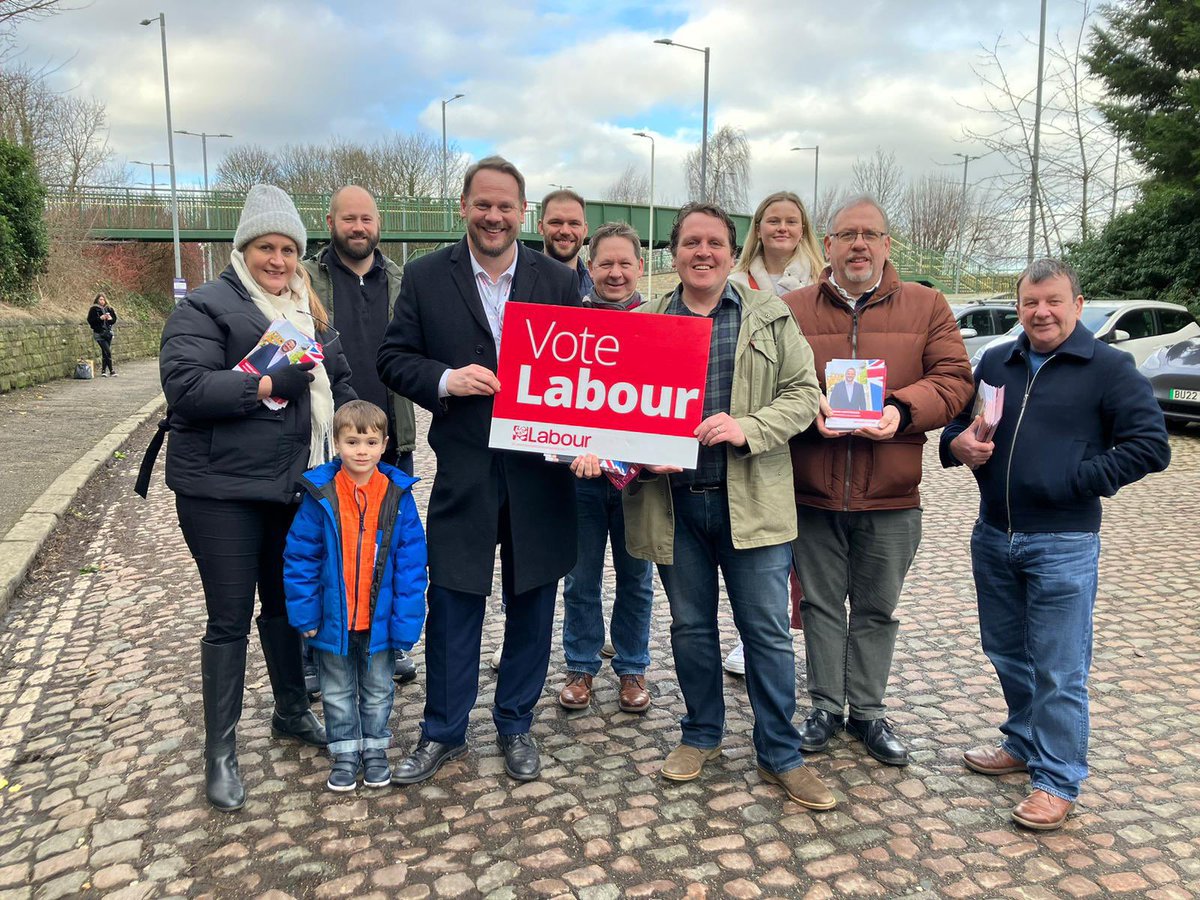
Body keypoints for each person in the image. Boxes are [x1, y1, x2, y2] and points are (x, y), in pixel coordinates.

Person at [941, 258, 1170, 830]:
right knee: (1005, 651)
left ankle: (1057, 778)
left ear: (1076, 302)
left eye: (1053, 301)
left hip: (1063, 541)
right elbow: (963, 430)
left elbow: (1151, 446)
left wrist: (1075, 479)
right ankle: (1022, 743)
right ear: (1018, 307)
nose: (1040, 312)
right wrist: (957, 446)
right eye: (1029, 303)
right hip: (994, 533)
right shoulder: (998, 359)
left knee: (1060, 668)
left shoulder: (1110, 368)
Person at [621, 202, 835, 810]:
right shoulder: (646, 319)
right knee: (690, 629)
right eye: (691, 242)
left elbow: (803, 394)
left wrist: (748, 428)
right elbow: (617, 406)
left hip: (752, 501)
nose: (703, 253)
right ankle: (701, 734)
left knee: (766, 633)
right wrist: (629, 453)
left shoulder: (768, 315)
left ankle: (781, 753)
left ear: (730, 250)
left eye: (714, 242)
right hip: (673, 504)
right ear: (674, 252)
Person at [376, 156, 581, 784]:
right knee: (455, 599)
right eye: (483, 204)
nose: (494, 216)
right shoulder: (426, 275)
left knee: (532, 603)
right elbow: (393, 358)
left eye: (506, 206)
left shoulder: (555, 279)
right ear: (464, 206)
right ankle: (444, 729)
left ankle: (516, 722)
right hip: (465, 467)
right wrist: (445, 379)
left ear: (524, 212)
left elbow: (583, 374)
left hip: (539, 473)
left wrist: (594, 438)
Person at [158, 183, 356, 811]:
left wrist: (362, 429)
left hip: (292, 488)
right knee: (229, 617)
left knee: (284, 607)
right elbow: (186, 388)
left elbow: (343, 383)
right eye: (267, 247)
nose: (278, 260)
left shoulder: (310, 313)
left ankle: (291, 714)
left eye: (288, 249)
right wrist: (268, 382)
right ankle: (219, 751)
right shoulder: (208, 307)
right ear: (245, 248)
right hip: (221, 492)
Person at [783, 195, 973, 768]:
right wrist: (804, 407)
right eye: (846, 235)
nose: (858, 244)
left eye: (870, 234)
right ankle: (822, 706)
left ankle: (865, 710)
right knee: (818, 605)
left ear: (887, 245)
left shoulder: (927, 304)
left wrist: (902, 410)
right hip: (812, 490)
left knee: (875, 608)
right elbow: (766, 381)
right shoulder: (791, 308)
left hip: (890, 495)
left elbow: (955, 379)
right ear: (830, 246)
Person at [303, 185, 419, 688]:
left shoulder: (402, 279)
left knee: (385, 547)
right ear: (330, 222)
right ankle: (319, 656)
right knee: (327, 546)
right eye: (348, 218)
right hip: (328, 440)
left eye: (366, 218)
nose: (358, 227)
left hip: (390, 435)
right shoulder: (306, 276)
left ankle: (383, 648)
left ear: (379, 223)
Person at [284, 400, 428, 792]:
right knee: (336, 691)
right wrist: (306, 615)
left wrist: (406, 622)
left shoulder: (397, 496)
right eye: (351, 441)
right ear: (337, 443)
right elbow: (300, 559)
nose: (361, 451)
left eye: (369, 442)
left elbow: (412, 566)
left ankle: (376, 749)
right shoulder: (320, 494)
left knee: (379, 689)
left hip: (378, 622)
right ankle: (346, 751)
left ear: (384, 445)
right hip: (333, 619)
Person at [722, 190, 823, 675]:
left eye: (792, 221)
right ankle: (756, 634)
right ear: (757, 228)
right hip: (749, 433)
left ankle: (800, 634)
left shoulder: (824, 282)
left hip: (814, 424)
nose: (782, 228)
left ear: (803, 229)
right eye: (773, 221)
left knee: (803, 542)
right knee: (759, 538)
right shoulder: (734, 282)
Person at [556, 223, 655, 715]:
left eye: (624, 264)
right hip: (583, 474)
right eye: (605, 264)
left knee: (637, 577)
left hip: (643, 481)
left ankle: (633, 667)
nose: (615, 273)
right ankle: (581, 665)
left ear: (640, 267)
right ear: (589, 267)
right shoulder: (568, 324)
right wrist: (571, 445)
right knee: (580, 576)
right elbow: (554, 402)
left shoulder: (662, 322)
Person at [538, 189, 593, 298]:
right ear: (541, 227)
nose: (565, 231)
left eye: (574, 224)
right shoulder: (518, 281)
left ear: (585, 230)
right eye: (556, 223)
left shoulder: (597, 289)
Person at [87, 293, 118, 377]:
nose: (102, 301)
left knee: (105, 352)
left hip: (108, 333)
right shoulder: (94, 309)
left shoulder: (109, 309)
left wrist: (110, 319)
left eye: (103, 299)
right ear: (97, 300)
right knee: (107, 351)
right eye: (100, 299)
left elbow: (114, 319)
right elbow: (90, 321)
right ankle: (111, 370)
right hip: (99, 333)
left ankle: (104, 371)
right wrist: (100, 318)